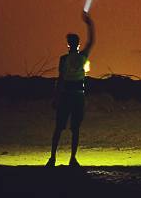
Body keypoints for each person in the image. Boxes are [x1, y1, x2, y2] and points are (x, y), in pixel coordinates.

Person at [47, 10, 95, 168]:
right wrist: (90, 24)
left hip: (68, 95)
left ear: (69, 44)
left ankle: (54, 158)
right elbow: (92, 41)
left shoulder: (65, 59)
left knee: (60, 128)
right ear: (77, 44)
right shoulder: (81, 57)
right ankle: (70, 159)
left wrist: (56, 97)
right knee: (73, 129)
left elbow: (60, 79)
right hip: (76, 96)